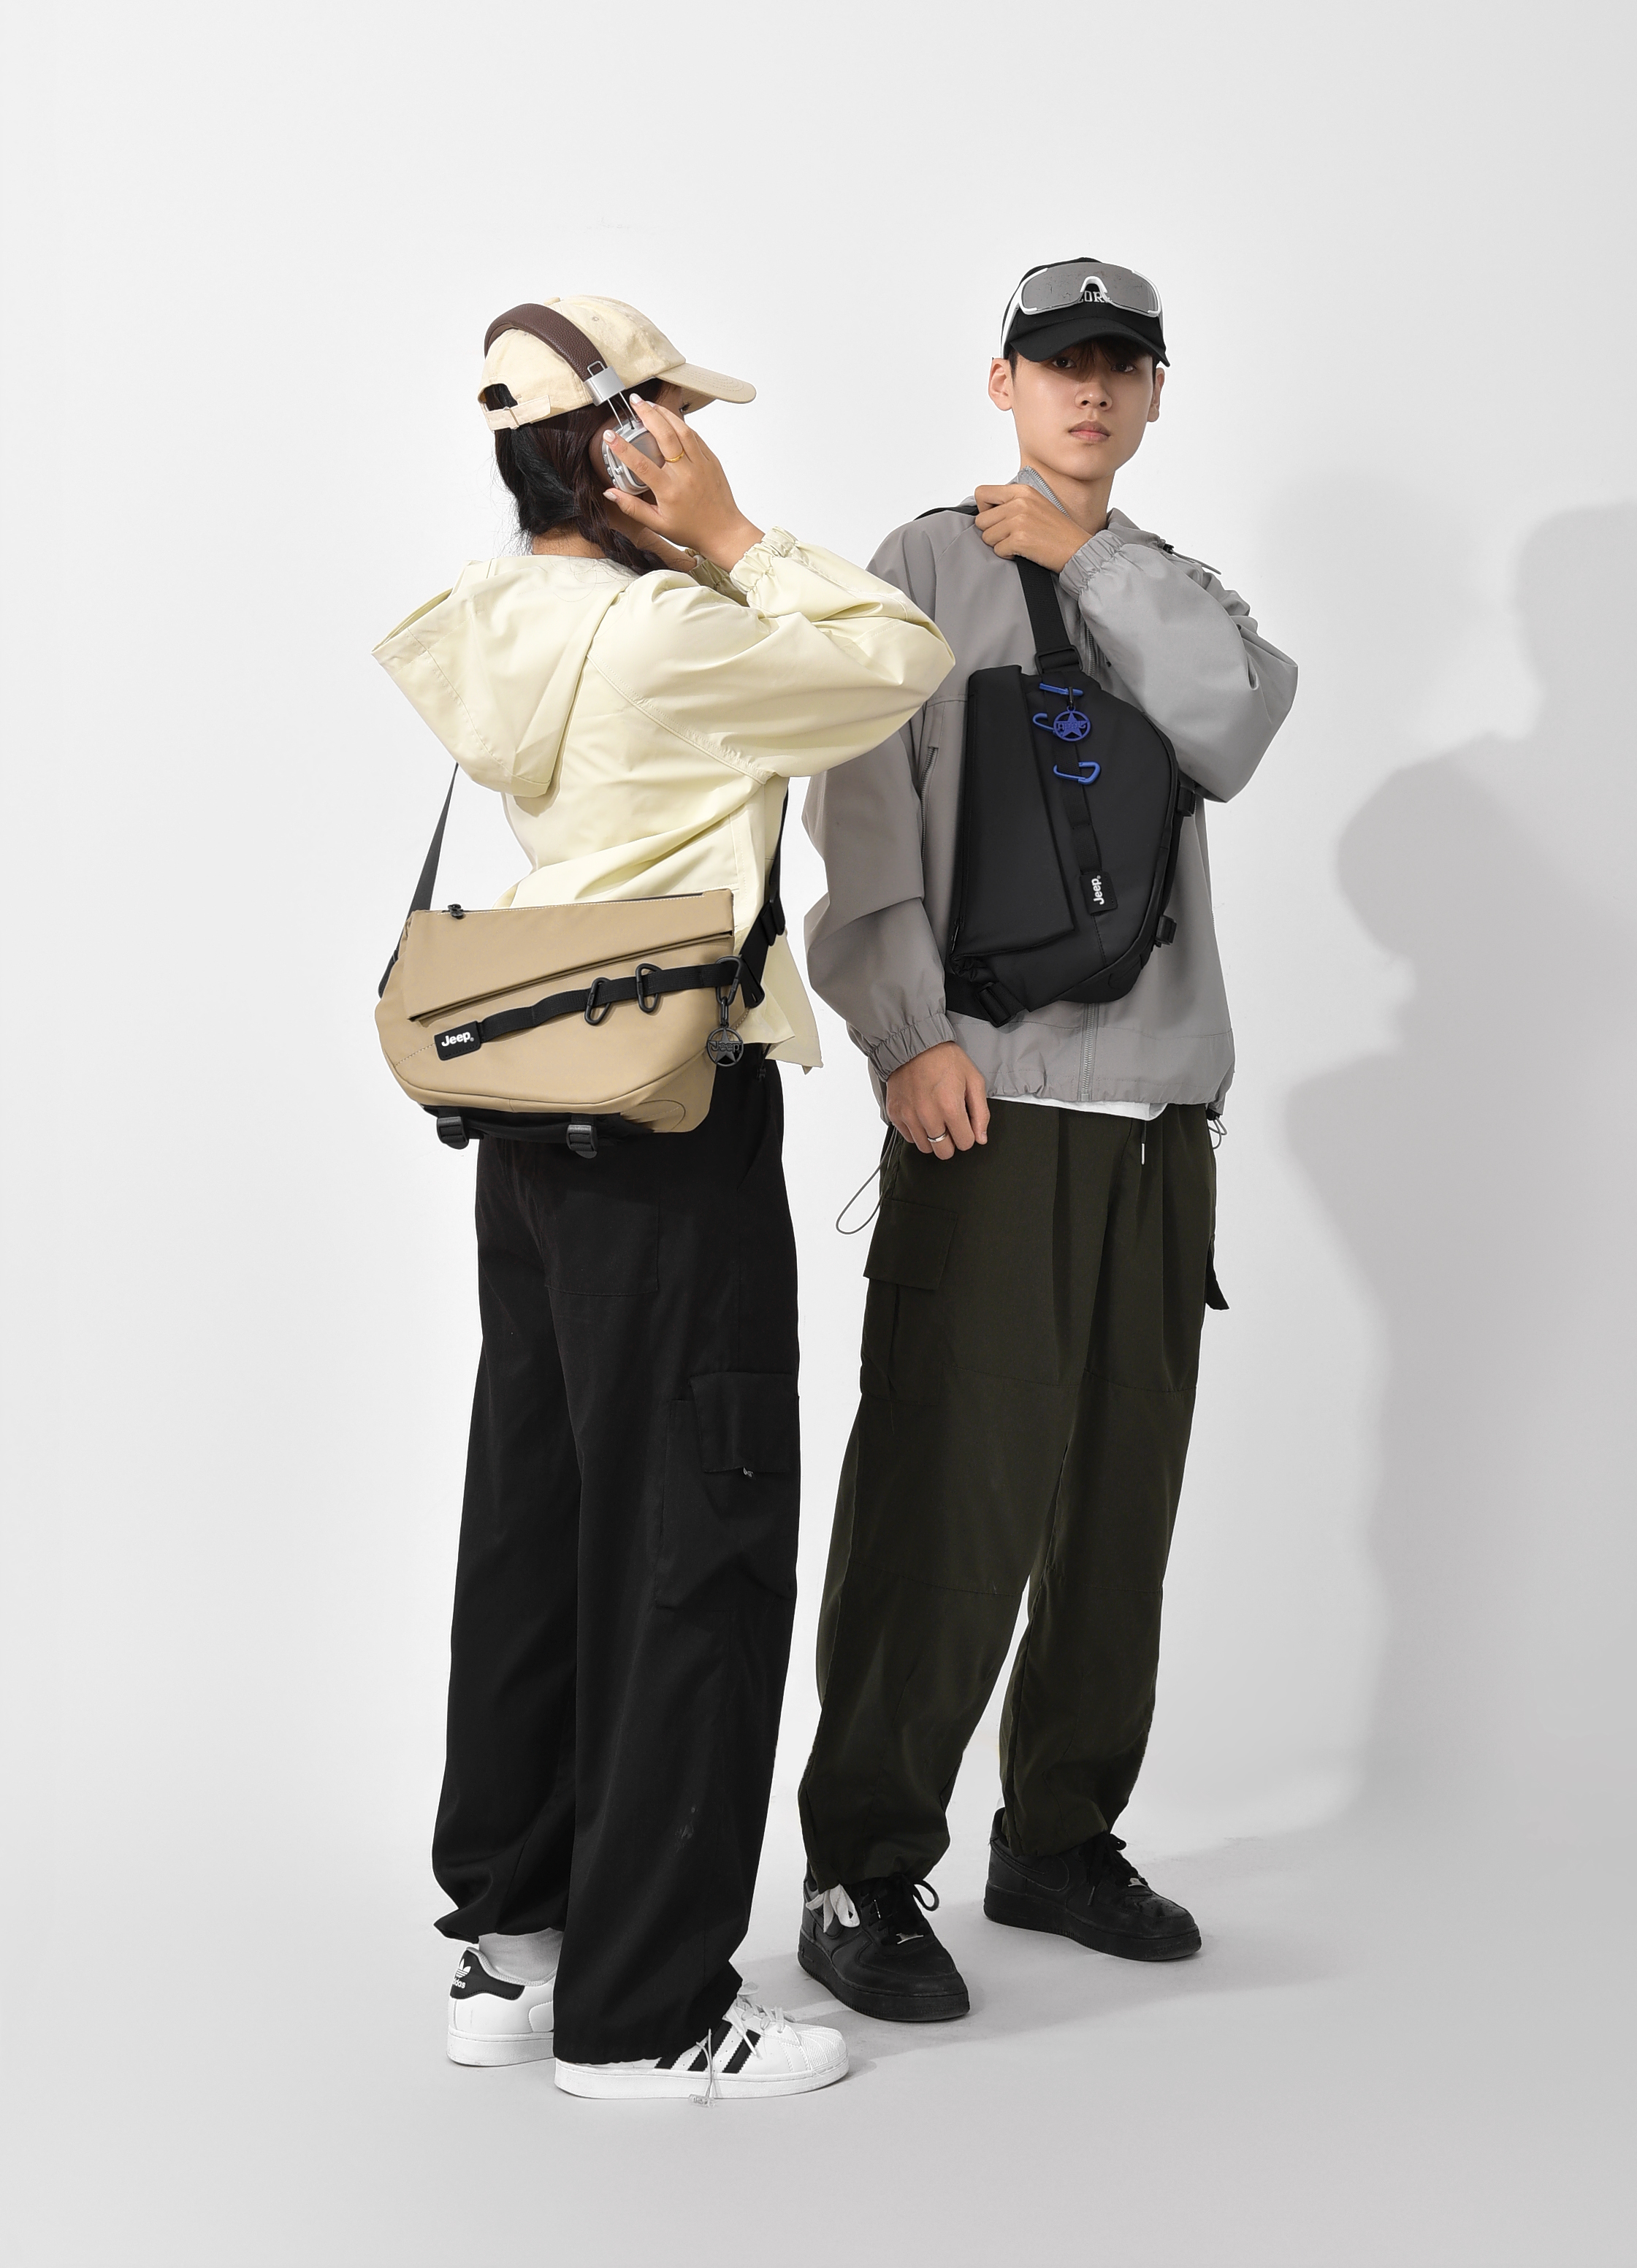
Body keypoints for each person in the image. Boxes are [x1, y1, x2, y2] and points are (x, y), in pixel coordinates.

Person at [373, 294, 951, 2097]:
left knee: (536, 1511)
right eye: (675, 420)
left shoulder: (501, 617)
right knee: (699, 1532)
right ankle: (646, 2010)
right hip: (667, 1105)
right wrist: (732, 534)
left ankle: (517, 1937)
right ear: (623, 442)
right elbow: (900, 658)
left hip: (528, 1105)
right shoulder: (673, 634)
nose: (701, 442)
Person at [795, 259, 1297, 2020]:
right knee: (946, 1500)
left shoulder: (1166, 582)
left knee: (1114, 1507)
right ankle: (864, 1865)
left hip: (1156, 1116)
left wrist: (1086, 557)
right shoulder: (922, 566)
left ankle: (1059, 1835)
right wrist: (906, 1032)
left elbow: (1233, 723)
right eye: (1058, 361)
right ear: (1000, 380)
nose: (1089, 389)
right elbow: (861, 815)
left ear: (1153, 392)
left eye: (1120, 365)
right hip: (990, 1099)